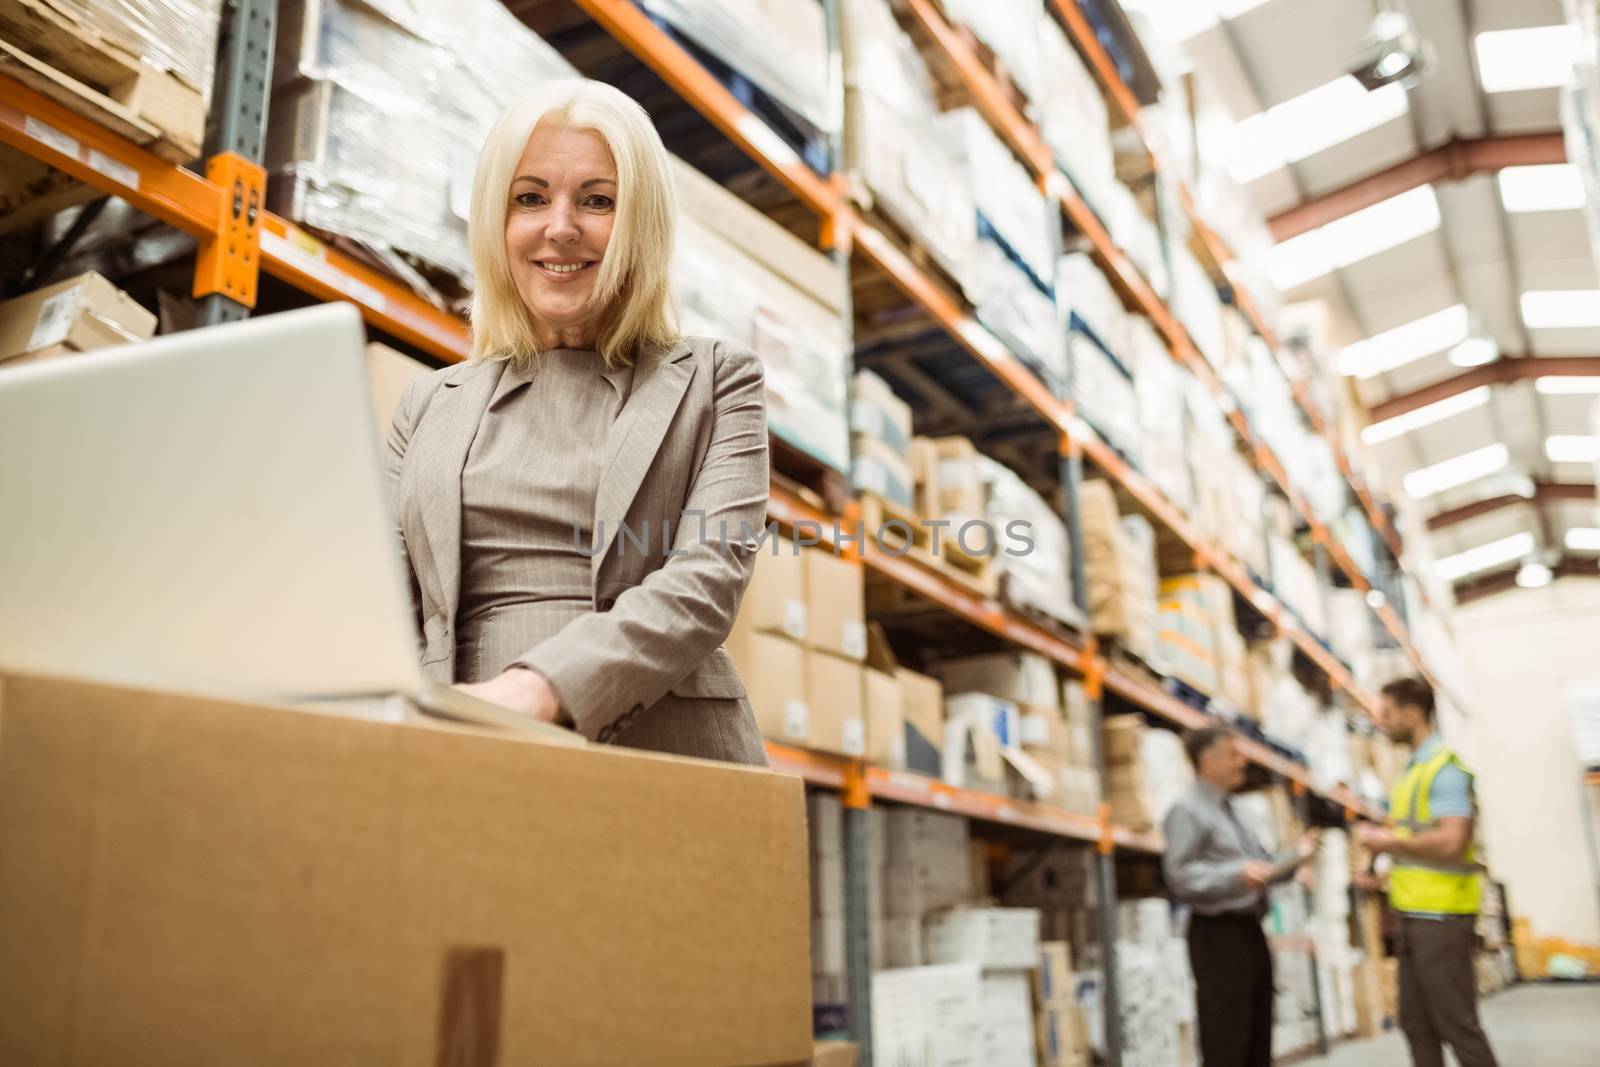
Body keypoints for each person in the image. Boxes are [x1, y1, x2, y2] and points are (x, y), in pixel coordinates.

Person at [385, 79, 769, 765]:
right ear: (497, 222)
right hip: (459, 745)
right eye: (530, 198)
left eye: (597, 200)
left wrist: (539, 689)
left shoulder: (719, 383)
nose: (560, 226)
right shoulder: (426, 404)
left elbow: (705, 583)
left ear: (640, 224)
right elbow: (383, 595)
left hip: (660, 749)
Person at [1355, 678, 1498, 1067]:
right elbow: (1416, 846)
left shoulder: (1444, 771)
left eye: (1387, 713)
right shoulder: (1412, 772)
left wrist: (1388, 843)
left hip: (1442, 918)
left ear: (1412, 713)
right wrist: (1382, 874)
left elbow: (1452, 842)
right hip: (1413, 916)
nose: (1380, 723)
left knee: (1457, 1025)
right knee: (1416, 1024)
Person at [1163, 727, 1319, 1067]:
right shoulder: (1187, 809)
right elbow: (1180, 876)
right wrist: (1235, 876)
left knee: (1257, 1036)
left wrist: (1295, 857)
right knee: (1226, 1040)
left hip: (1250, 932)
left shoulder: (1233, 811)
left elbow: (1260, 863)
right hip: (1218, 936)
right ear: (1208, 760)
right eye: (1234, 754)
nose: (1242, 761)